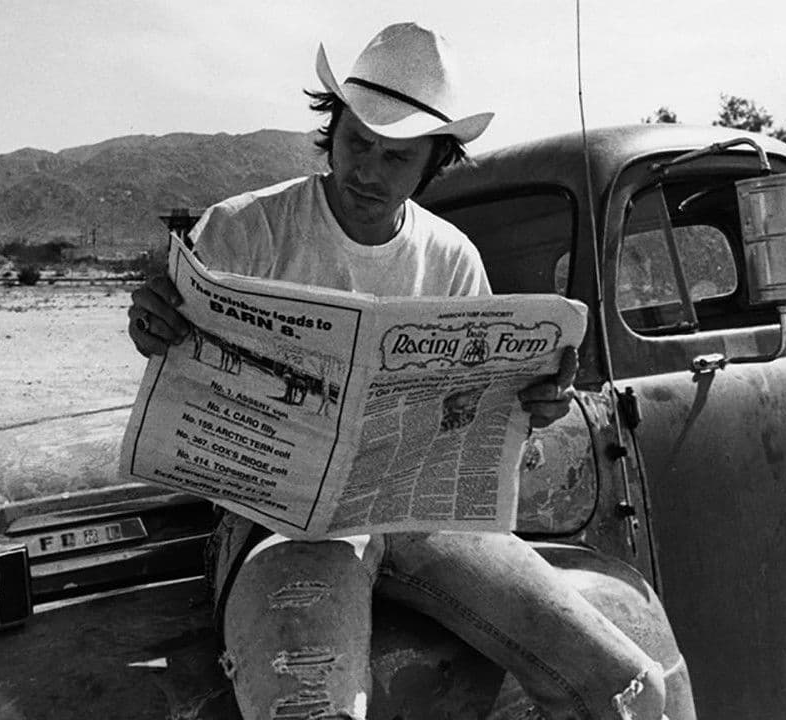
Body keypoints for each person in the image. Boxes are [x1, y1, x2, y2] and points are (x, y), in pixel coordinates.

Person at [127, 22, 691, 720]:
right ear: (331, 127)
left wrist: (535, 403)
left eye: (396, 156)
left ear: (433, 162)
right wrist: (153, 325)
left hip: (426, 517)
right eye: (356, 142)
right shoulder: (243, 230)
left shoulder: (453, 258)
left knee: (629, 685)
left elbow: (488, 411)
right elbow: (176, 361)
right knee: (308, 708)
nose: (368, 170)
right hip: (278, 523)